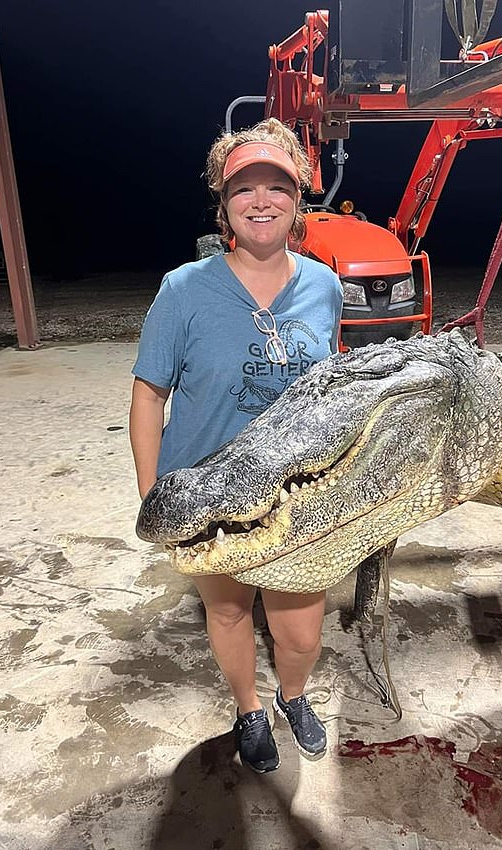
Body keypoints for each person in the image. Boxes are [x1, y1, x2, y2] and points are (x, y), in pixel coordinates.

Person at [129, 118, 343, 773]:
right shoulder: (183, 290)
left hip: (295, 498)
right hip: (205, 493)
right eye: (243, 187)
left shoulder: (325, 288)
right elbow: (147, 398)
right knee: (227, 611)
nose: (260, 200)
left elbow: (332, 392)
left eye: (276, 186)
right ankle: (250, 707)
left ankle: (293, 693)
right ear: (222, 204)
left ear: (298, 199)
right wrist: (154, 501)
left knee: (299, 630)